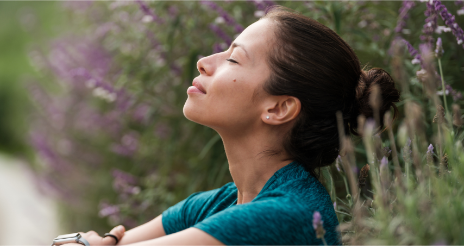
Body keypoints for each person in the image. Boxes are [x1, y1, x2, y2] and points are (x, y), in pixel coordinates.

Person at [58, 5, 400, 246]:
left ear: (279, 108)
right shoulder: (219, 203)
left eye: (234, 58)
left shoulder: (285, 217)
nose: (205, 62)